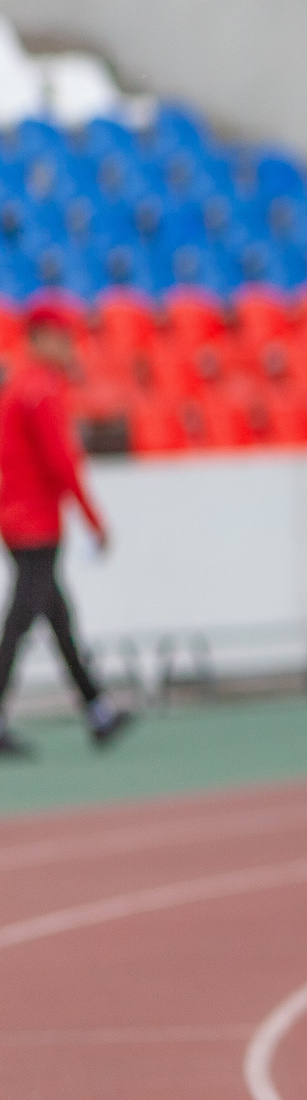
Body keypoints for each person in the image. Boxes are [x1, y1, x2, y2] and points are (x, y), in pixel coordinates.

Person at [0, 294, 131, 755]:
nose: (69, 347)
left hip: (20, 518)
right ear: (41, 339)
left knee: (56, 617)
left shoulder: (23, 385)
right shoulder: (42, 390)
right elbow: (62, 463)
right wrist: (93, 520)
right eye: (62, 338)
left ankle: (97, 708)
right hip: (34, 522)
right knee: (22, 619)